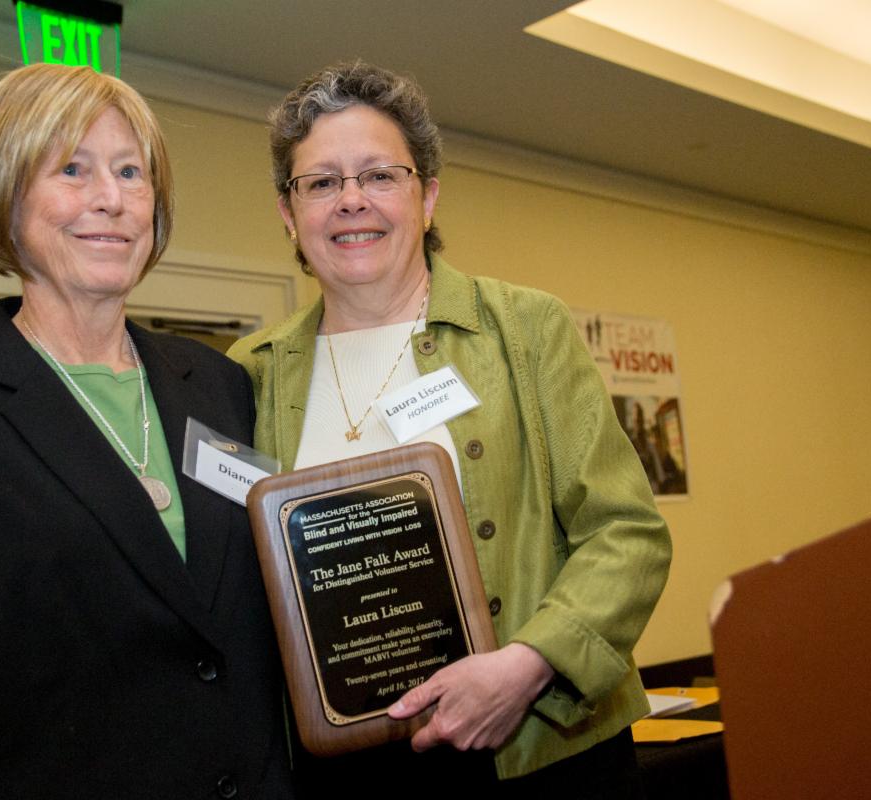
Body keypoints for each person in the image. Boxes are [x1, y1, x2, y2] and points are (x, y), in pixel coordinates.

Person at [0, 63, 292, 799]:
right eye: (72, 170)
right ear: (5, 194)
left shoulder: (220, 385)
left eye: (129, 171)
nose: (111, 199)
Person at [228, 61, 672, 797]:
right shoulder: (251, 372)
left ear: (427, 196)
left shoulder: (525, 330)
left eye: (379, 175)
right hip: (344, 773)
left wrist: (528, 665)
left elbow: (627, 533)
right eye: (321, 182)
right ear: (288, 213)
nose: (351, 201)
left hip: (536, 752)